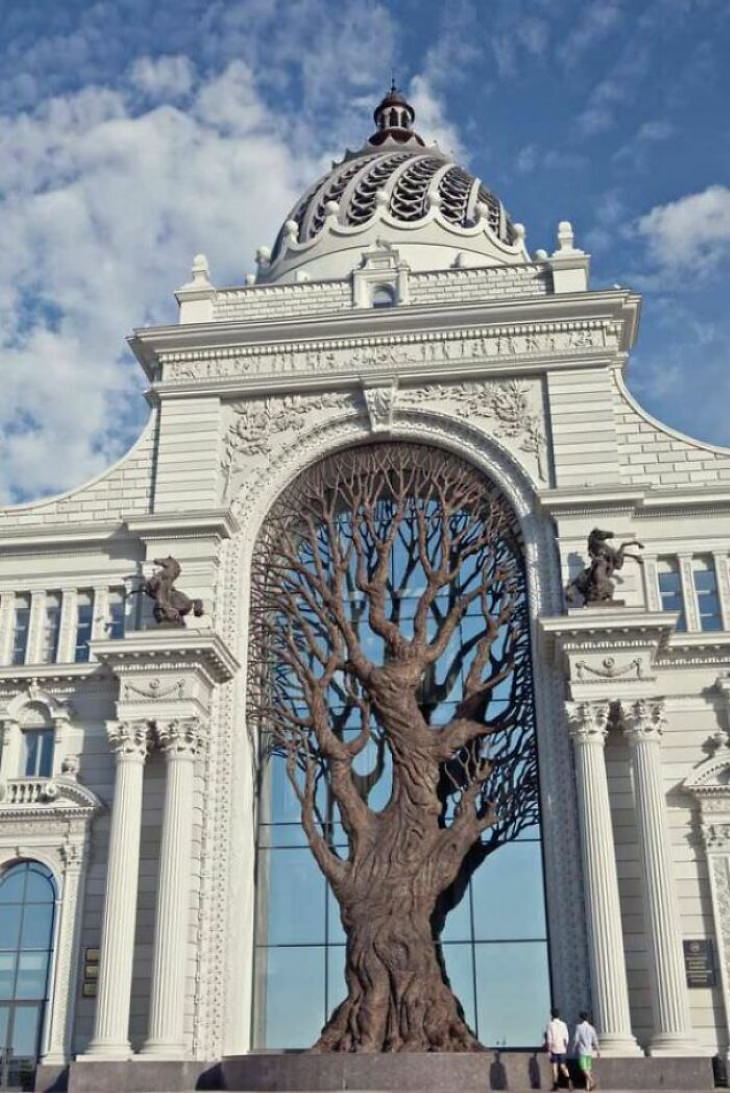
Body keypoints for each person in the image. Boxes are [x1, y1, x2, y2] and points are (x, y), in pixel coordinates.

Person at [544, 1007, 572, 1091]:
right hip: (562, 1048)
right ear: (559, 1015)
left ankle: (555, 1084)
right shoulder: (563, 1024)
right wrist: (565, 1047)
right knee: (563, 1066)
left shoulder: (550, 1025)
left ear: (551, 1015)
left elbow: (549, 1039)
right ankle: (568, 1079)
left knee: (554, 1067)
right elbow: (566, 1037)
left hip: (554, 1048)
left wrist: (548, 1050)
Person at [572, 1011, 600, 1091]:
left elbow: (576, 1039)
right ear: (587, 1018)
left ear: (580, 1018)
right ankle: (588, 1087)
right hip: (589, 1051)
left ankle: (592, 1081)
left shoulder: (579, 1027)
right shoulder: (591, 1028)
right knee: (588, 1068)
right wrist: (598, 1050)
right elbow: (595, 1040)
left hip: (582, 1051)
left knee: (583, 1068)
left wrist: (573, 1048)